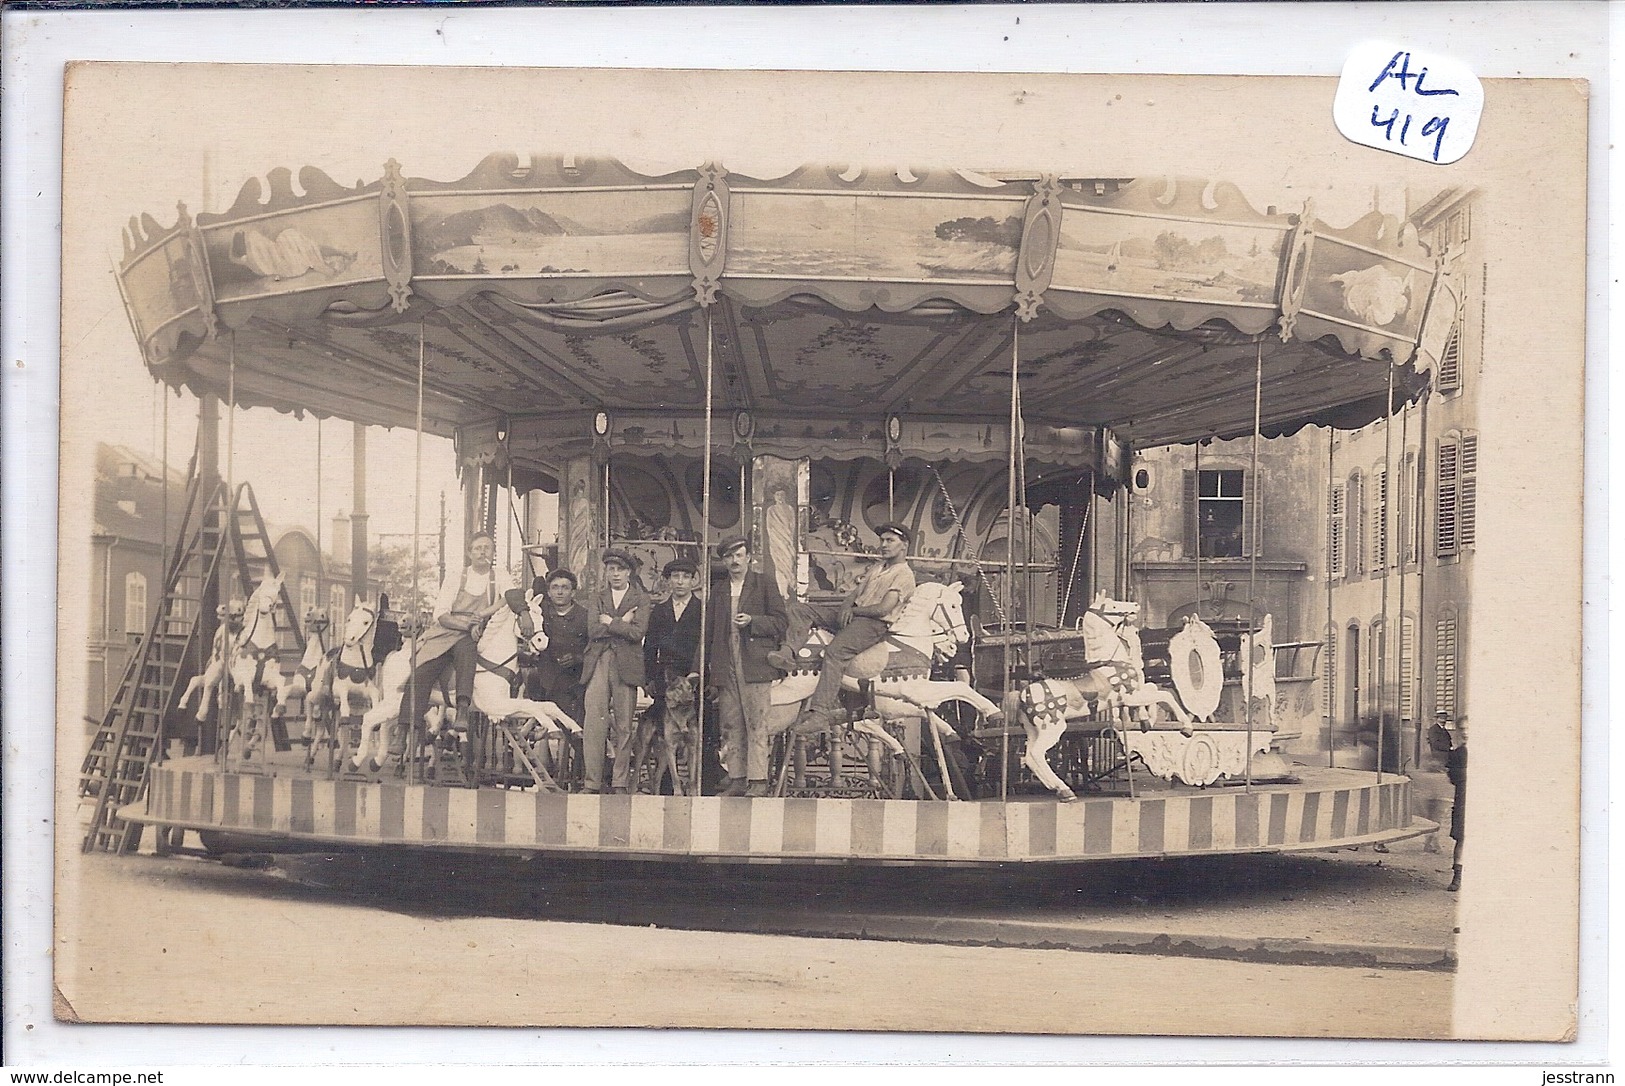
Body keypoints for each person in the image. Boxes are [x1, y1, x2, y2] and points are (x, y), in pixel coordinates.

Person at [774, 522, 915, 731]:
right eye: (882, 540)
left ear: (904, 545)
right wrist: (846, 607)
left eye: (890, 541)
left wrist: (853, 611)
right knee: (800, 609)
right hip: (855, 613)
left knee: (835, 652)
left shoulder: (904, 575)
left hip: (873, 624)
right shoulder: (878, 568)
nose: (883, 545)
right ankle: (787, 652)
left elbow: (883, 609)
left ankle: (820, 712)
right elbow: (854, 595)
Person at [399, 532, 512, 740]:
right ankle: (405, 727)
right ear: (469, 553)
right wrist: (465, 625)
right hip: (447, 630)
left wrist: (483, 615)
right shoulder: (456, 577)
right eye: (478, 548)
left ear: (493, 553)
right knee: (423, 668)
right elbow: (441, 614)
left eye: (487, 548)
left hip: (477, 630)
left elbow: (508, 597)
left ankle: (462, 709)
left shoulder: (500, 576)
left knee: (467, 653)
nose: (482, 552)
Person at [707, 534, 788, 797]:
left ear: (749, 557)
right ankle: (737, 779)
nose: (734, 561)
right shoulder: (719, 589)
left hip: (754, 664)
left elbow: (780, 622)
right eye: (729, 556)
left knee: (756, 722)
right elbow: (708, 632)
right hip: (725, 663)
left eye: (739, 555)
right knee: (730, 724)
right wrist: (704, 667)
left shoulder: (763, 584)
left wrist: (753, 620)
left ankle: (758, 780)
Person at [580, 549, 650, 794]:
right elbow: (593, 631)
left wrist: (610, 622)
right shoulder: (597, 597)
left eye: (620, 569)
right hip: (598, 661)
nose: (616, 574)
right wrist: (623, 622)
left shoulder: (641, 598)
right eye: (611, 569)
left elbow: (637, 633)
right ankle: (592, 782)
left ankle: (620, 782)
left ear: (629, 572)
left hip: (627, 666)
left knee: (624, 725)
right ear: (606, 572)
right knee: (594, 722)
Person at [524, 568, 589, 727]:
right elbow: (512, 596)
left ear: (573, 593)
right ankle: (531, 733)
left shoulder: (584, 616)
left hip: (574, 676)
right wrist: (524, 614)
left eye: (565, 588)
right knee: (531, 679)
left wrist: (577, 658)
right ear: (549, 592)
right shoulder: (541, 611)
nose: (559, 592)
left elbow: (595, 647)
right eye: (555, 587)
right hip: (545, 674)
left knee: (572, 716)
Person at [644, 557, 704, 716]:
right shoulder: (659, 610)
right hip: (666, 679)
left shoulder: (703, 610)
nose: (680, 582)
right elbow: (650, 647)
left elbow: (710, 646)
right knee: (665, 727)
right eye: (675, 576)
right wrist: (649, 679)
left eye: (685, 577)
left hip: (694, 678)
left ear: (693, 580)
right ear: (669, 580)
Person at [1428, 712, 1467, 892]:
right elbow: (1453, 776)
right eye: (1462, 729)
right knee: (1461, 839)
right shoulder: (1458, 754)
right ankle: (1457, 876)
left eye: (1469, 729)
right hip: (1463, 800)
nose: (1465, 732)